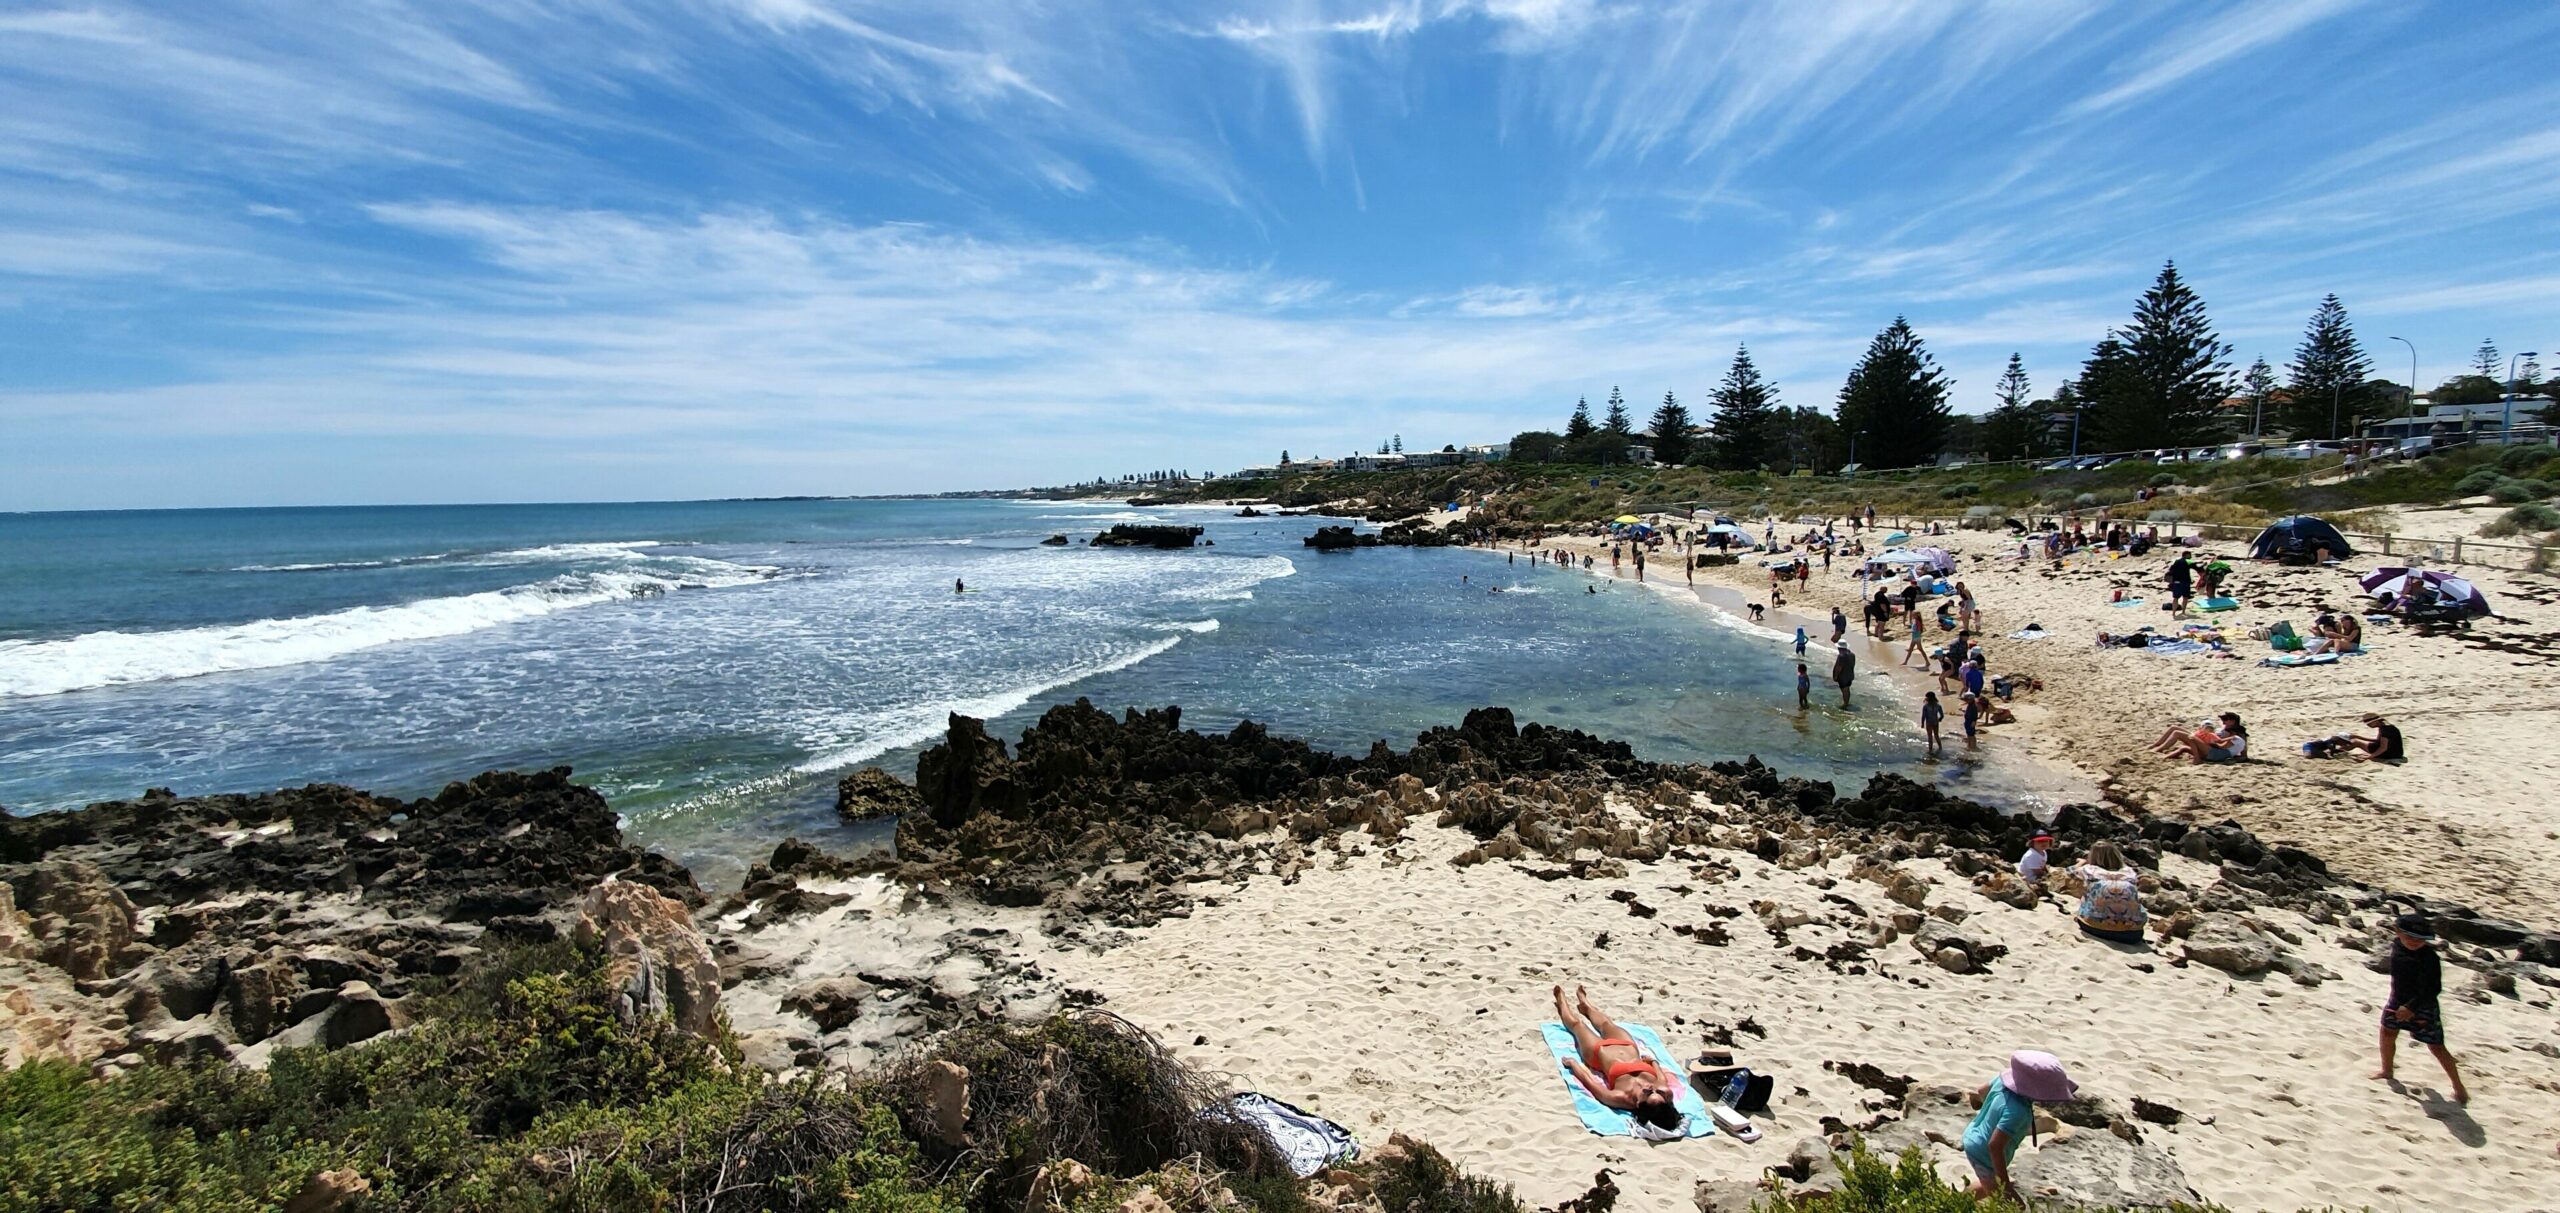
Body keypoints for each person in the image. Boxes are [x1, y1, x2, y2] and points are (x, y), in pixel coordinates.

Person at [1553, 984, 1686, 1134]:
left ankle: (1561, 1002)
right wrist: (1653, 1062)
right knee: (1606, 1024)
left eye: (1648, 1094)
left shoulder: (1619, 1097)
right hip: (1628, 1046)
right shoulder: (1661, 1089)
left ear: (1639, 1104)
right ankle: (1586, 1005)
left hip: (1598, 1052)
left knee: (1578, 1025)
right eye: (1657, 1093)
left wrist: (1573, 1064)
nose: (1651, 1089)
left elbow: (1589, 1081)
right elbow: (1661, 1076)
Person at [2374, 914, 2468, 1104]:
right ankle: (2387, 1070)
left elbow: (2433, 989)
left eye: (2420, 939)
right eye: (2410, 937)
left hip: (2423, 1004)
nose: (2415, 942)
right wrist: (2400, 1004)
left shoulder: (2429, 959)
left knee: (2436, 1046)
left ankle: (2459, 1087)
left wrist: (2411, 1007)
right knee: (2387, 1032)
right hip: (2397, 1000)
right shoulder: (2397, 945)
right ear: (2398, 933)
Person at [1963, 1051, 2078, 1202]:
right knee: (2011, 1205)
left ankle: (1954, 1202)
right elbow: (1995, 1146)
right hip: (1984, 1154)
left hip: (1973, 1135)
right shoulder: (2018, 1112)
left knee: (1987, 1183)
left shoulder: (2002, 1080)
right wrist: (2005, 1184)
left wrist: (1993, 1115)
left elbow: (1981, 1091)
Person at [2069, 840, 2148, 941]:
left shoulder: (2090, 870)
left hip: (2097, 928)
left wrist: (2081, 863)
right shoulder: (2129, 873)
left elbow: (2069, 872)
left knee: (2089, 893)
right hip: (2133, 934)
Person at [2152, 712, 2246, 762]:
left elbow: (2223, 746)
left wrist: (2211, 742)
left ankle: (2158, 749)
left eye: (2225, 720)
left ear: (2233, 721)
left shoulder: (2235, 736)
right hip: (2208, 741)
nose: (2223, 722)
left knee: (2184, 735)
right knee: (2175, 728)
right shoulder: (2227, 730)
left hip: (2213, 748)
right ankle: (2155, 745)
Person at [1921, 691, 1945, 756]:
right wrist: (1939, 719)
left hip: (1929, 722)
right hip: (1935, 722)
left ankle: (1930, 749)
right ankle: (1940, 747)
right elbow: (1942, 715)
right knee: (1936, 735)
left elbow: (1923, 716)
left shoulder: (1926, 706)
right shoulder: (1938, 706)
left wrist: (1922, 724)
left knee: (1930, 736)